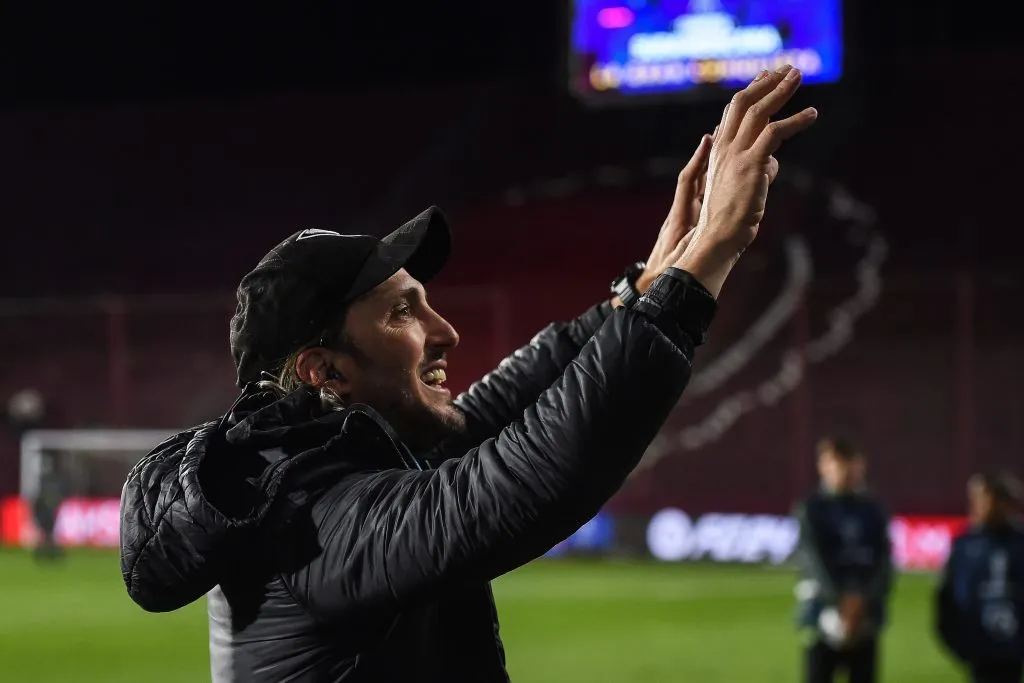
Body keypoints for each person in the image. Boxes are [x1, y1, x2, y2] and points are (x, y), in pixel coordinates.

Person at [119, 65, 818, 682]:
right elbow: (520, 478)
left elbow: (495, 411)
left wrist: (643, 289)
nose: (445, 331)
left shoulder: (341, 457)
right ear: (324, 370)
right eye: (401, 314)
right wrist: (702, 269)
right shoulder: (306, 521)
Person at [793, 436, 894, 683]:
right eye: (836, 464)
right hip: (820, 615)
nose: (844, 471)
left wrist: (863, 599)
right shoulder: (811, 509)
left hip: (866, 617)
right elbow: (813, 560)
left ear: (861, 465)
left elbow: (884, 560)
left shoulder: (873, 509)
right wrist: (839, 599)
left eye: (849, 464)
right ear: (822, 467)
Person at [936, 471, 1024, 683]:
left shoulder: (1019, 544)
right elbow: (946, 601)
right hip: (979, 651)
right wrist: (960, 646)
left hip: (1012, 650)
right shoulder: (965, 546)